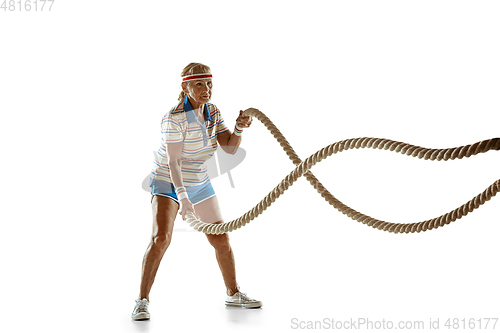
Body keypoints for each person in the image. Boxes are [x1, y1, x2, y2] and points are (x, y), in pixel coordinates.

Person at [132, 62, 262, 321]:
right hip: (168, 181)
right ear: (186, 87)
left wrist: (238, 128)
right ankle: (141, 301)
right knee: (161, 239)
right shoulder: (174, 118)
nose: (206, 89)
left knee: (221, 239)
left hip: (200, 181)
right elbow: (173, 162)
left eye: (209, 84)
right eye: (199, 84)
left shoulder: (212, 111)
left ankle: (233, 293)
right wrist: (182, 197)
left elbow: (229, 147)